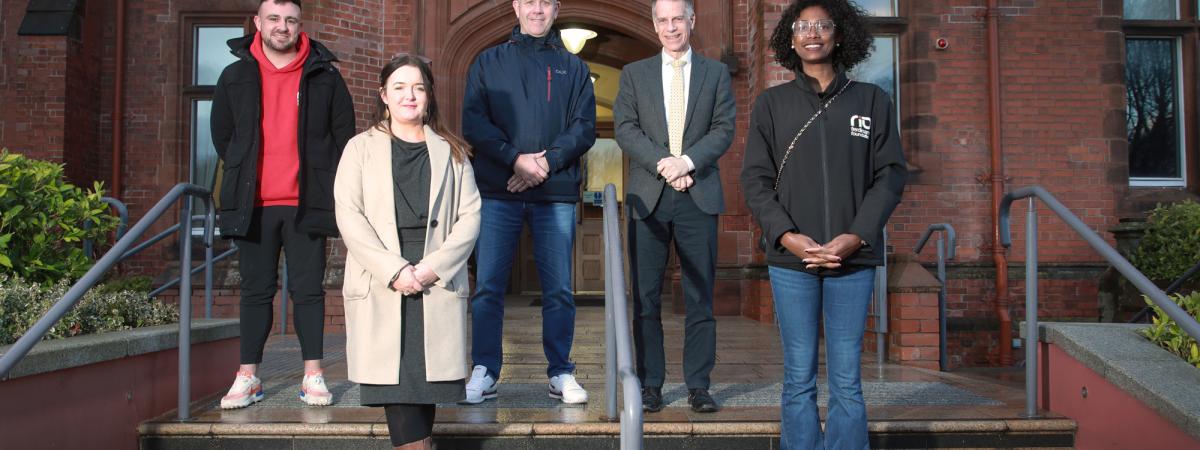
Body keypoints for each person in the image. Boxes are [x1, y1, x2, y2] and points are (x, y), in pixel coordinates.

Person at [740, 0, 907, 448]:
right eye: (802, 26)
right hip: (791, 261)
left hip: (853, 261)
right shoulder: (771, 105)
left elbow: (890, 176)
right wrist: (788, 238)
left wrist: (855, 236)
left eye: (823, 25)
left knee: (848, 378)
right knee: (798, 376)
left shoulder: (872, 100)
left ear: (839, 35)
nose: (812, 33)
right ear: (791, 38)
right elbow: (754, 180)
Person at [210, 0, 354, 409]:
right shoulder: (235, 75)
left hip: (306, 202)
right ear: (257, 23)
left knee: (309, 291)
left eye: (290, 20)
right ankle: (248, 376)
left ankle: (313, 376)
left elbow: (345, 136)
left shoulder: (325, 77)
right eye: (273, 18)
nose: (282, 27)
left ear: (299, 25)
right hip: (253, 204)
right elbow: (224, 136)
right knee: (255, 291)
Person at [334, 54, 481, 450]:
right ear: (384, 94)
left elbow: (470, 217)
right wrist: (396, 271)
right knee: (398, 391)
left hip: (434, 280)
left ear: (429, 96)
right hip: (384, 280)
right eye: (399, 87)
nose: (409, 96)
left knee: (424, 390)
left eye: (418, 87)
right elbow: (349, 217)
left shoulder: (453, 152)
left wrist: (432, 268)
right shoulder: (358, 149)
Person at [460, 0, 597, 405]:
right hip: (498, 191)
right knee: (488, 287)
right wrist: (515, 160)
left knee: (558, 289)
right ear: (517, 6)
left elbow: (584, 128)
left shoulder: (574, 68)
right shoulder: (488, 62)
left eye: (545, 2)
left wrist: (545, 163)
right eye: (529, 1)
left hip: (554, 193)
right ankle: (485, 369)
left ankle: (560, 372)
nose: (536, 9)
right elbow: (474, 123)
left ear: (556, 9)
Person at [613, 0, 734, 414]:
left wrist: (687, 162)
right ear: (654, 24)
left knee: (700, 297)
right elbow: (625, 128)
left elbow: (723, 129)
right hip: (649, 199)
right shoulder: (634, 74)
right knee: (645, 298)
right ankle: (650, 385)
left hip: (698, 195)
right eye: (662, 20)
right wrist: (667, 164)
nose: (670, 27)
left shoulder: (716, 74)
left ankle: (699, 385)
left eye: (677, 19)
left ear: (692, 21)